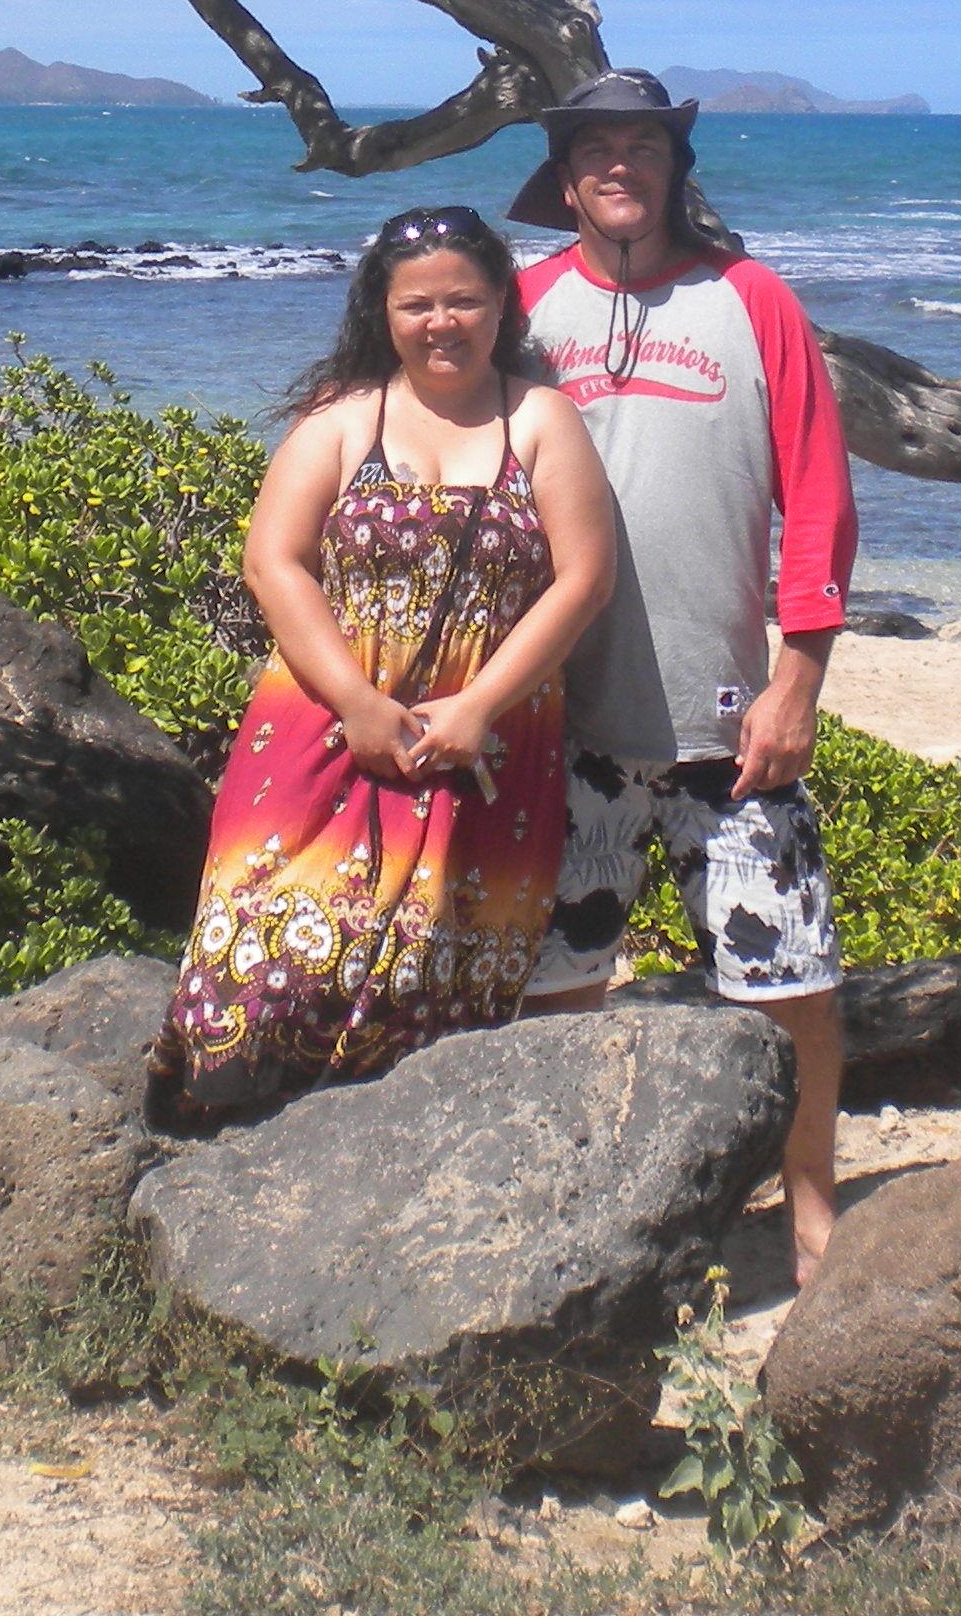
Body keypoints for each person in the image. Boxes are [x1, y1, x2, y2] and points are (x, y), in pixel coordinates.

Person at [155, 202, 616, 1124]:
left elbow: (584, 578)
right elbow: (271, 562)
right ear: (384, 313)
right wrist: (359, 704)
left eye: (464, 301)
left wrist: (479, 707)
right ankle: (209, 1169)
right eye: (417, 305)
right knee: (268, 959)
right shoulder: (343, 421)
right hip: (321, 732)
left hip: (484, 751)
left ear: (500, 309)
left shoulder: (539, 421)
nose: (441, 323)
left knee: (437, 980)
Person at [508, 71, 857, 1282]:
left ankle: (811, 1212)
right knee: (559, 985)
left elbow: (817, 491)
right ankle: (570, 1209)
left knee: (792, 983)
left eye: (643, 148)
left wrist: (798, 673)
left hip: (729, 724)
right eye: (597, 149)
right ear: (565, 178)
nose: (621, 167)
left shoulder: (750, 301)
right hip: (563, 726)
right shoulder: (521, 308)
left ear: (674, 170)